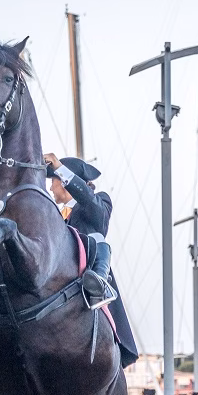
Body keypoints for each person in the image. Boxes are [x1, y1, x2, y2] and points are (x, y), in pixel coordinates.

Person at [43, 152, 138, 367]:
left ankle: (99, 285)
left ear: (64, 181)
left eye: (53, 181)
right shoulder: (56, 216)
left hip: (87, 270)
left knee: (97, 239)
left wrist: (59, 167)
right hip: (61, 279)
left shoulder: (99, 201)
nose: (51, 188)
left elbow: (90, 205)